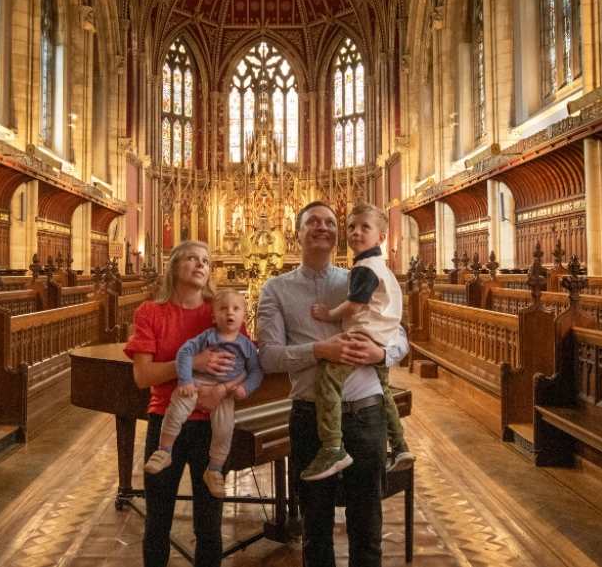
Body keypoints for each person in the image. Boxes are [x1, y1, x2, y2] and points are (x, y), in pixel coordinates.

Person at [257, 201, 409, 567]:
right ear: (296, 233)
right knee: (316, 530)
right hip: (310, 418)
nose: (323, 227)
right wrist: (320, 350)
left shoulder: (358, 276)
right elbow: (269, 356)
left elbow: (400, 337)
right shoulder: (276, 289)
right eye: (313, 222)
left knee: (367, 527)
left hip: (365, 414)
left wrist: (381, 355)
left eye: (329, 222)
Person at [125, 241, 231, 567]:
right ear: (174, 266)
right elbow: (143, 377)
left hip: (209, 427)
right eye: (191, 259)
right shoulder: (150, 312)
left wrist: (224, 389)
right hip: (164, 424)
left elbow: (240, 359)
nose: (200, 265)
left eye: (205, 261)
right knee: (157, 520)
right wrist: (191, 363)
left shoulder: (219, 311)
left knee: (209, 524)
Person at [304, 203, 414, 480]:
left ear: (381, 236)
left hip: (365, 335)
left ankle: (332, 447)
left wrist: (329, 314)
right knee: (386, 390)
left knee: (327, 379)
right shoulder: (379, 266)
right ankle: (400, 446)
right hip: (380, 332)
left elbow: (354, 306)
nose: (355, 232)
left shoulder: (364, 268)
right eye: (351, 227)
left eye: (365, 227)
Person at [144, 289, 262, 500]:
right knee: (176, 410)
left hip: (224, 394)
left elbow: (255, 370)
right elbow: (184, 353)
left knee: (225, 428)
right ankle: (164, 451)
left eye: (236, 309)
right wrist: (185, 379)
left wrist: (245, 388)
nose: (230, 313)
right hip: (196, 383)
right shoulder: (208, 336)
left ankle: (215, 469)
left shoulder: (246, 345)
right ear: (213, 316)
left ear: (244, 315)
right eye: (223, 309)